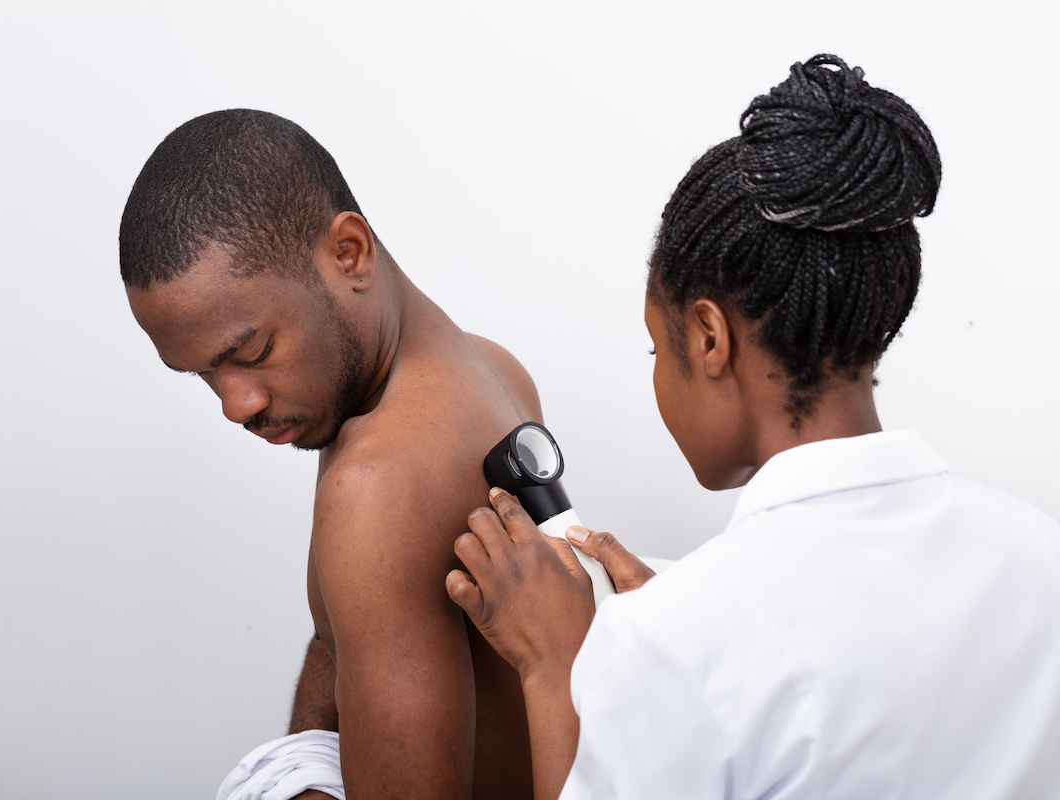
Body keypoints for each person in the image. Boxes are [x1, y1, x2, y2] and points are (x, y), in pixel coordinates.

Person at [446, 55, 1060, 799]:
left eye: (656, 346)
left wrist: (554, 664)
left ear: (709, 339)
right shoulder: (1037, 551)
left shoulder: (680, 647)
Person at [119, 111, 541, 799]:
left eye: (251, 352)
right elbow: (340, 643)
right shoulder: (494, 370)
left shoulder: (377, 484)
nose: (236, 405)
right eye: (201, 374)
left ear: (349, 253)